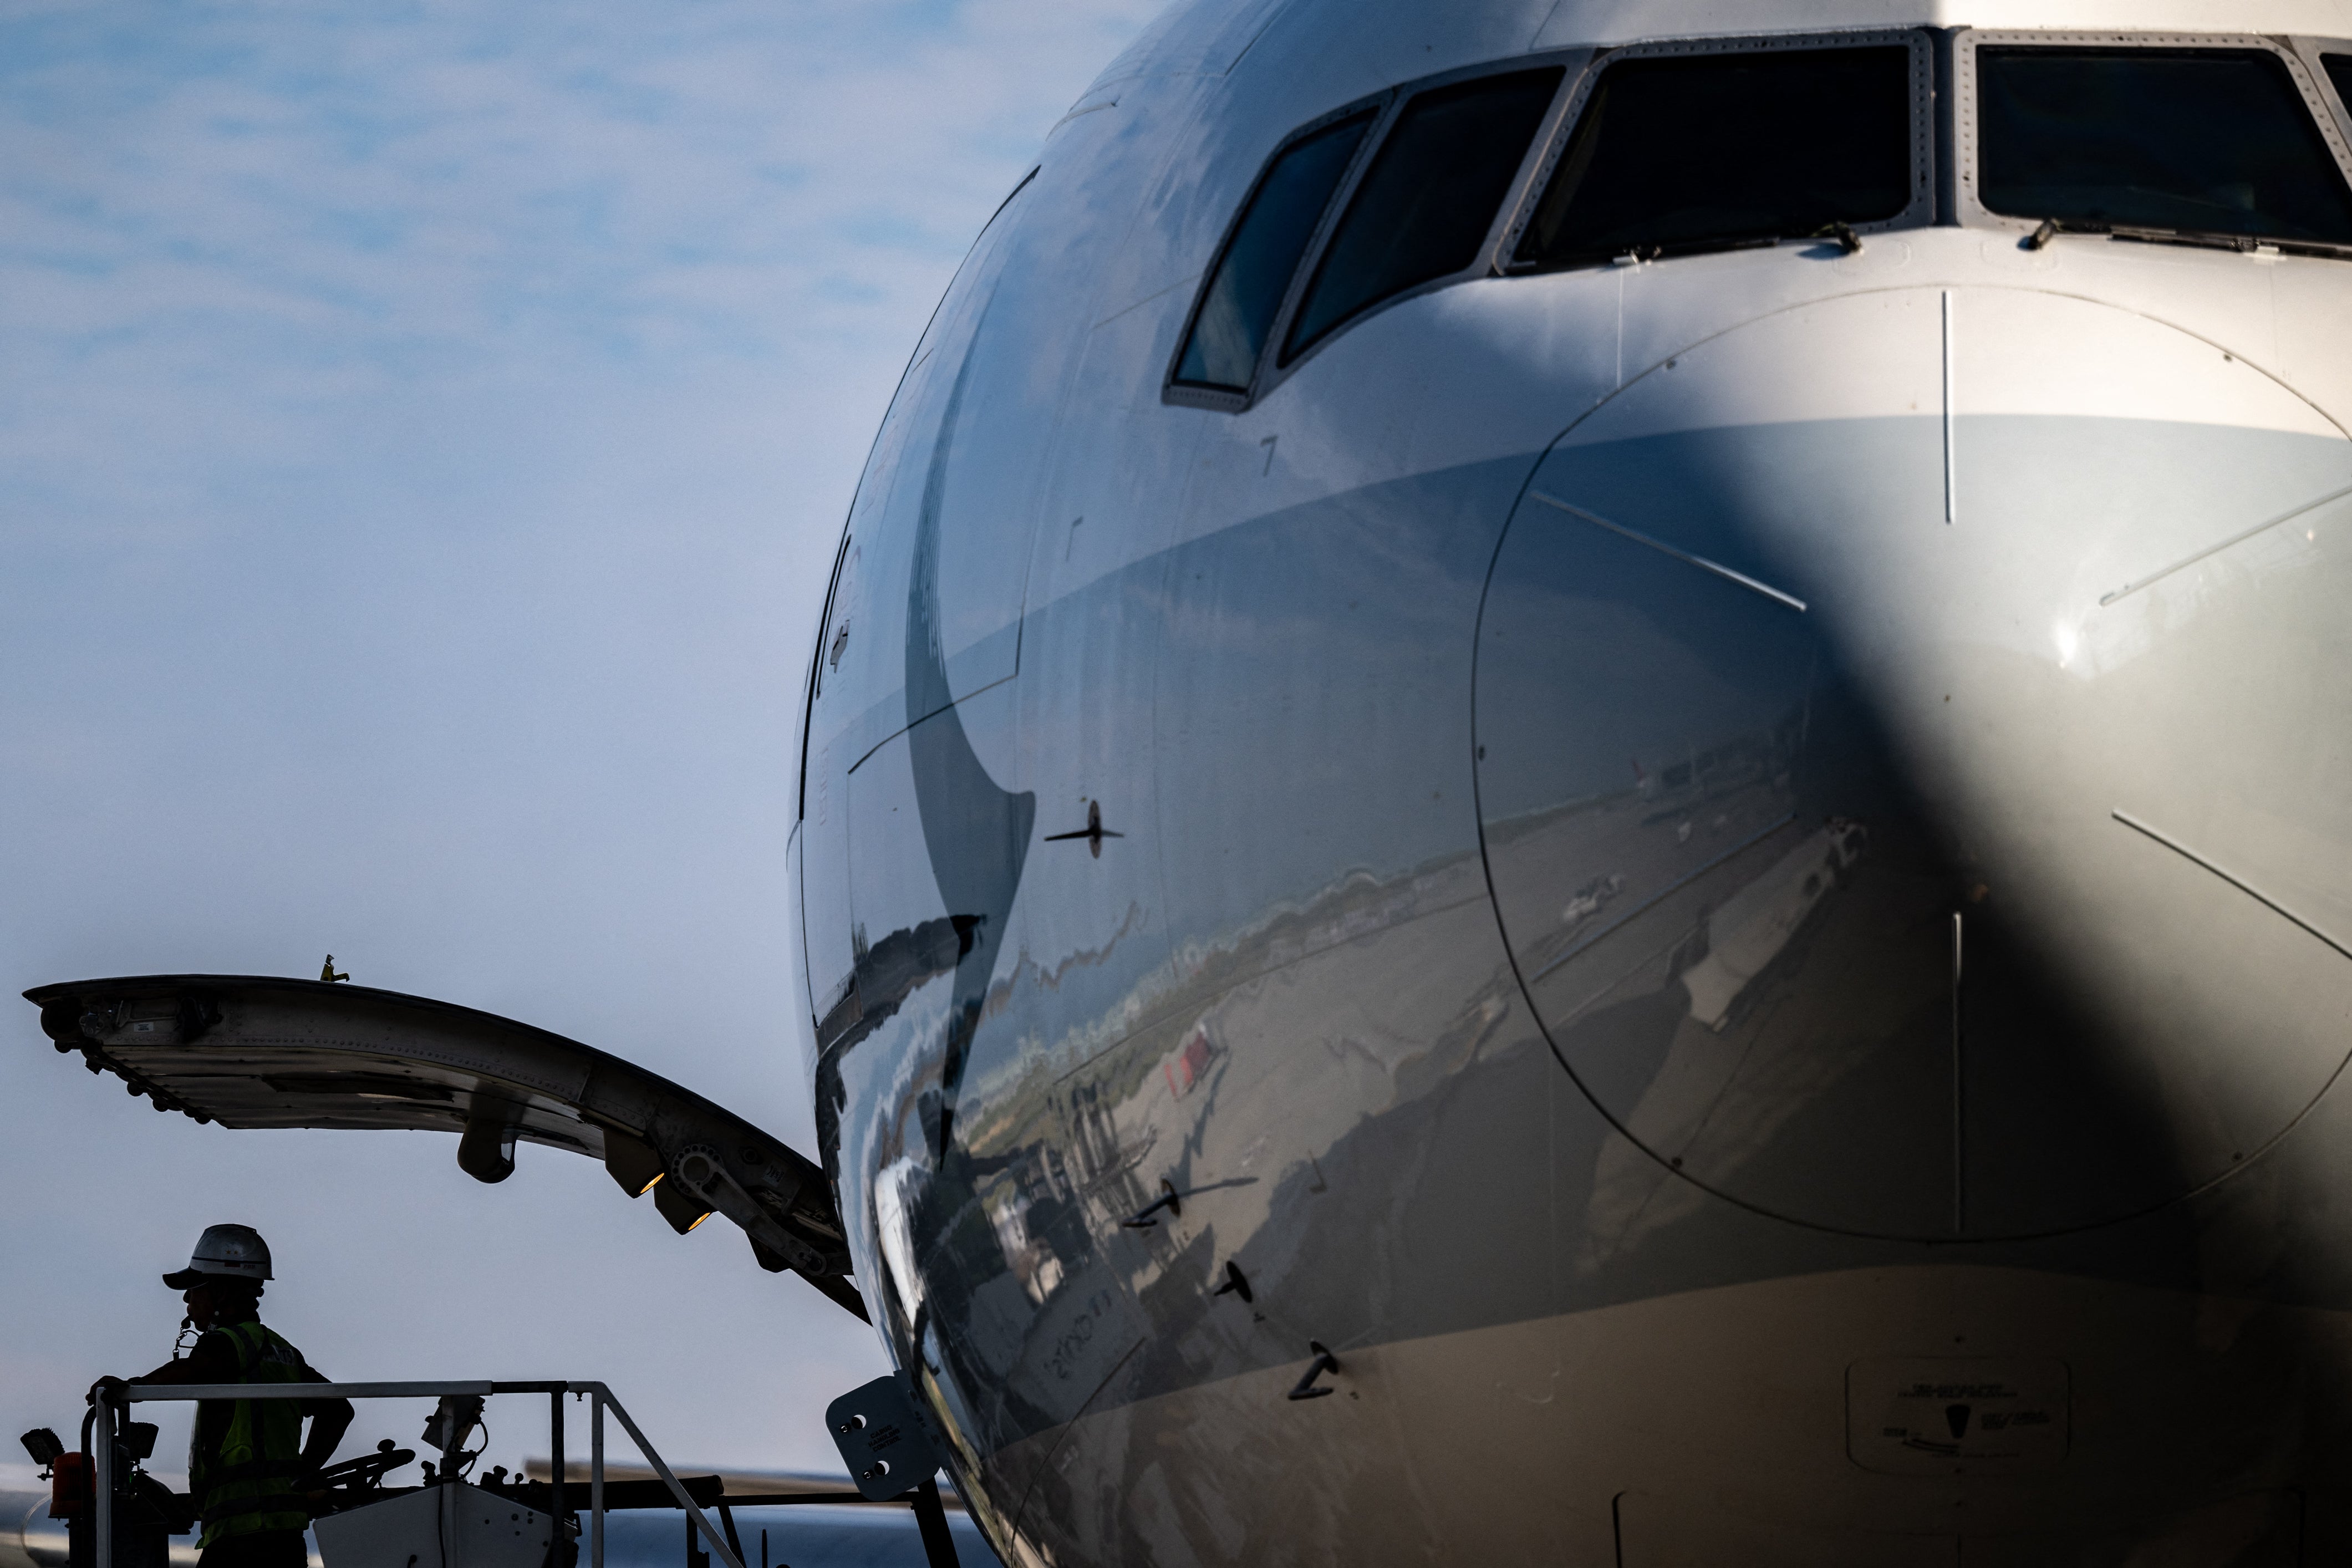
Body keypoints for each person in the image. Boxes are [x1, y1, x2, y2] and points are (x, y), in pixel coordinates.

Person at [106, 1225, 354, 1568]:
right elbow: (338, 1410)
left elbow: (195, 1371)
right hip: (284, 1531)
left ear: (220, 1292)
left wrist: (132, 1388)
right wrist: (304, 1472)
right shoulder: (281, 1350)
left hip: (242, 1534)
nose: (186, 1299)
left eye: (194, 1288)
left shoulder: (225, 1343)